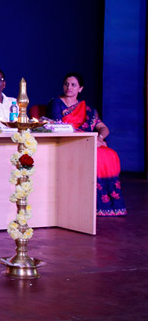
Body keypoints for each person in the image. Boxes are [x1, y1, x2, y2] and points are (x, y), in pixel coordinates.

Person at [46, 72, 125, 216]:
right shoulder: (56, 103)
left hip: (89, 141)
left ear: (80, 88)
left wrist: (99, 137)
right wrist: (90, 138)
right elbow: (59, 126)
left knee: (109, 154)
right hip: (69, 141)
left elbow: (103, 128)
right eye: (66, 84)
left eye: (73, 85)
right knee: (99, 157)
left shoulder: (88, 109)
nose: (69, 87)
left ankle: (108, 204)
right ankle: (93, 205)